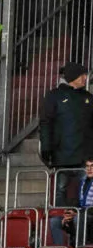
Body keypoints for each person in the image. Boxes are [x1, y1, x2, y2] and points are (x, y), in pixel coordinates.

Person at [39, 62, 93, 203]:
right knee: (60, 192)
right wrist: (46, 148)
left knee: (85, 195)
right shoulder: (54, 96)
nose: (85, 78)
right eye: (82, 75)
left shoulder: (88, 97)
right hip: (62, 156)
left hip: (85, 156)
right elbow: (46, 123)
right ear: (72, 77)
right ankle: (58, 222)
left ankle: (81, 223)